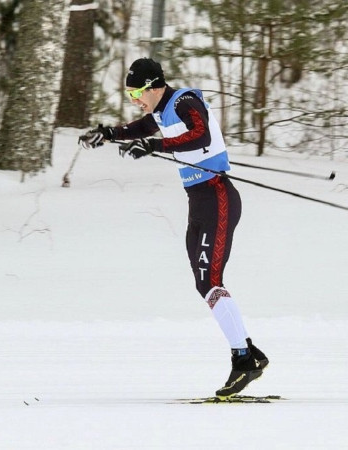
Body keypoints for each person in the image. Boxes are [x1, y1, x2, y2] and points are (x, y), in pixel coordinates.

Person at [79, 58, 268, 398]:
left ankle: (243, 359)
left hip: (217, 195)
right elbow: (141, 128)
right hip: (198, 201)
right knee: (204, 284)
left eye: (138, 91)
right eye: (131, 93)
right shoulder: (162, 112)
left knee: (210, 280)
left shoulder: (183, 101)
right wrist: (108, 134)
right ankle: (248, 351)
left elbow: (201, 134)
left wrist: (154, 146)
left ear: (153, 85)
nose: (136, 98)